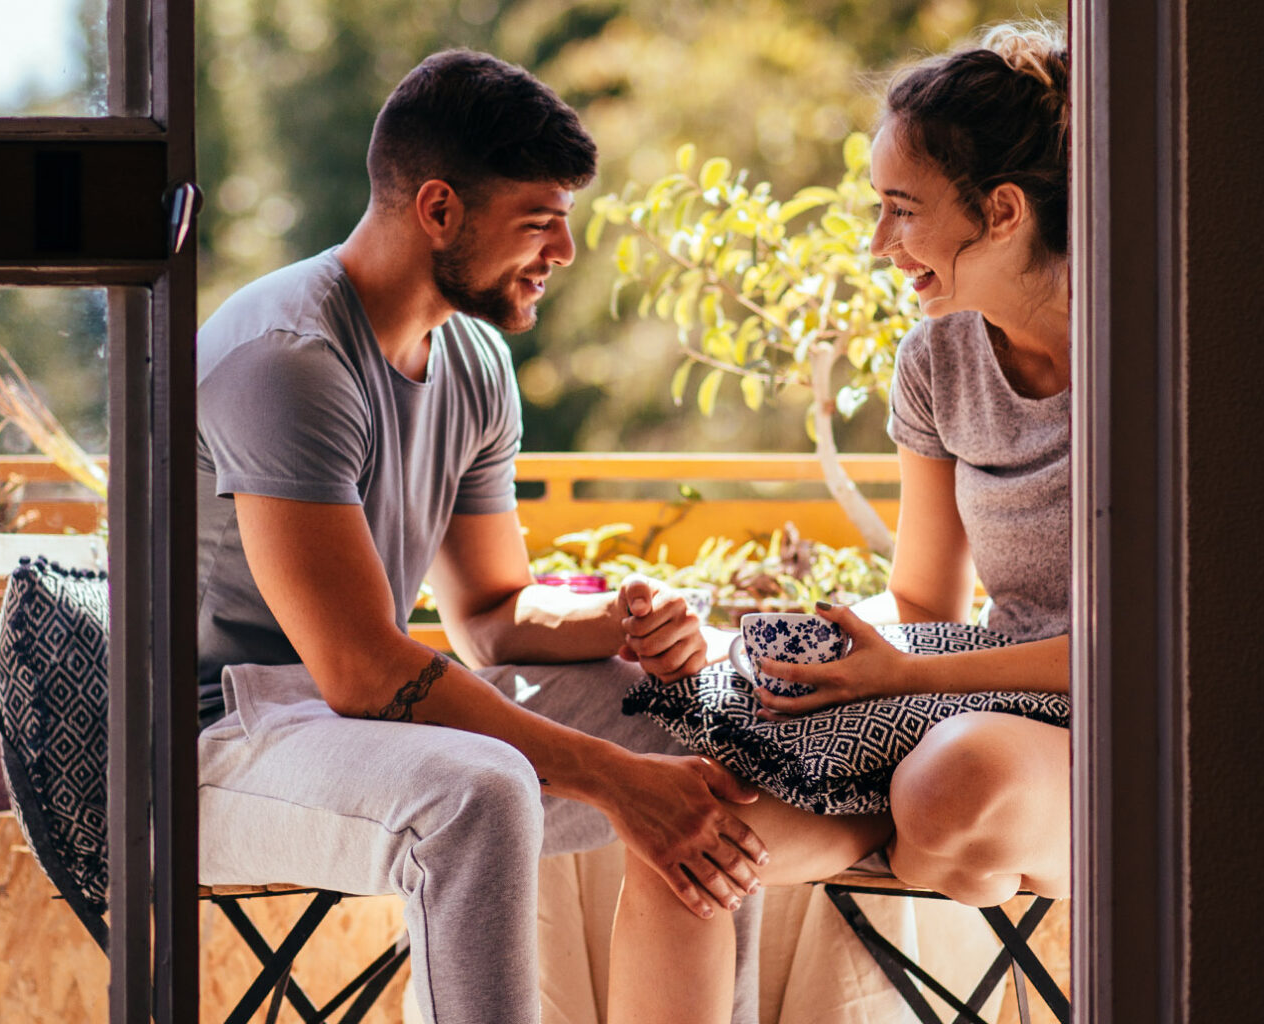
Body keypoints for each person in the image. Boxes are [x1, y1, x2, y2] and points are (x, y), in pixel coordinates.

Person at [193, 50, 770, 1024]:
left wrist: (626, 622)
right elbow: (364, 672)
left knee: (710, 731)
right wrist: (619, 783)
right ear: (439, 211)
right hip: (217, 740)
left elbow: (493, 615)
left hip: (346, 727)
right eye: (540, 221)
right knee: (482, 792)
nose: (566, 251)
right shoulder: (287, 359)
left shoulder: (473, 361)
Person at [606, 23, 1074, 1024]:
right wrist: (815, 658)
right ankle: (924, 835)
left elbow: (1158, 649)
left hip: (1103, 735)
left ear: (1001, 212)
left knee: (954, 781)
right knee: (688, 825)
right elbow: (923, 602)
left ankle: (937, 836)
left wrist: (908, 678)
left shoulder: (1152, 354)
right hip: (964, 712)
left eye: (902, 212)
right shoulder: (938, 363)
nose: (878, 243)